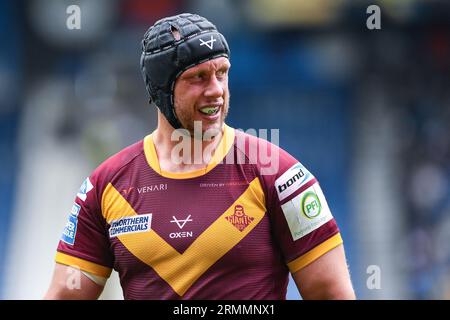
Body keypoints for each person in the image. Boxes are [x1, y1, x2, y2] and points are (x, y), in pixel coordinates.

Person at [44, 13, 355, 300]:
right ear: (161, 88)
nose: (216, 90)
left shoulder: (281, 176)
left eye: (222, 73)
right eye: (199, 78)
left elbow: (330, 292)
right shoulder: (106, 186)